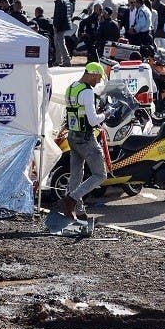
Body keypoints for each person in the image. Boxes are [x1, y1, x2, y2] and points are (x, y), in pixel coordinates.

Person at [61, 63, 108, 220]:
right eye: (99, 78)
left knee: (76, 175)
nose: (99, 82)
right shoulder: (88, 92)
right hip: (86, 138)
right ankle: (72, 199)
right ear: (93, 74)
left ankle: (79, 212)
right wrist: (106, 114)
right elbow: (93, 120)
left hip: (73, 136)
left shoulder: (72, 87)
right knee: (101, 174)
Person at [52, 0, 73, 67]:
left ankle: (66, 60)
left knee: (60, 43)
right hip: (65, 24)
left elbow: (59, 16)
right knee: (58, 43)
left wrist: (56, 25)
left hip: (60, 25)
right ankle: (58, 60)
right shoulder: (66, 0)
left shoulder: (60, 2)